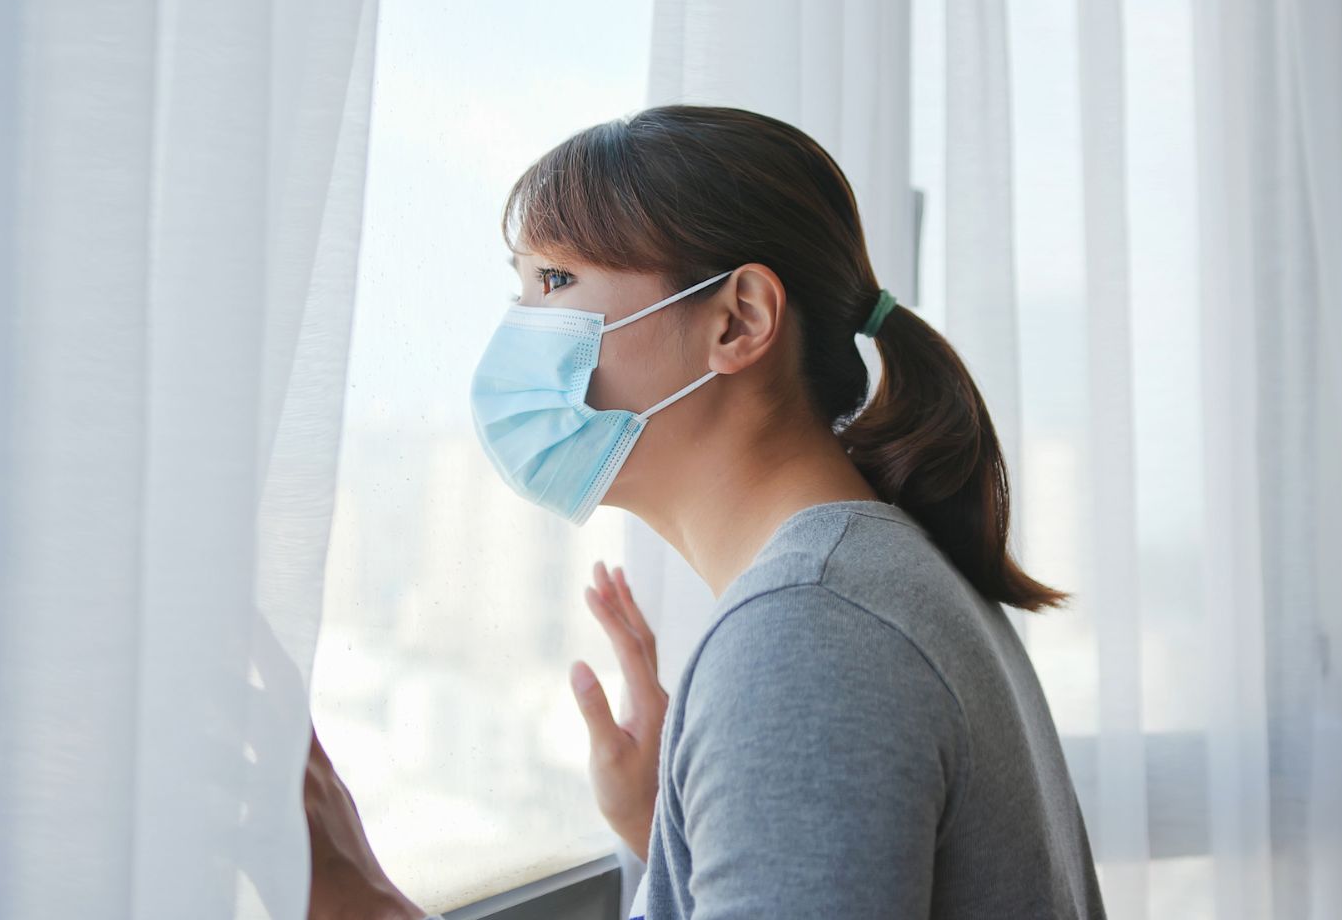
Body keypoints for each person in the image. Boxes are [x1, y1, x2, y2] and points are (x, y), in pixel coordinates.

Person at [303, 104, 1107, 919]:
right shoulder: (873, 578)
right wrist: (675, 835)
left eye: (555, 282)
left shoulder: (810, 635)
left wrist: (369, 910)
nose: (519, 331)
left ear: (739, 320)